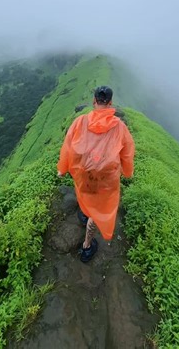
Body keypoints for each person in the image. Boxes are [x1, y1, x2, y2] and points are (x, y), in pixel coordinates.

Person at [57, 86, 135, 263]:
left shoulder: (80, 122)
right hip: (105, 180)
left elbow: (68, 146)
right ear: (110, 103)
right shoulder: (120, 128)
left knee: (84, 194)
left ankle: (85, 213)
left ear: (94, 101)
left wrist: (63, 168)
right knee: (98, 210)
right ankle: (87, 245)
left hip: (84, 173)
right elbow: (128, 154)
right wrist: (128, 172)